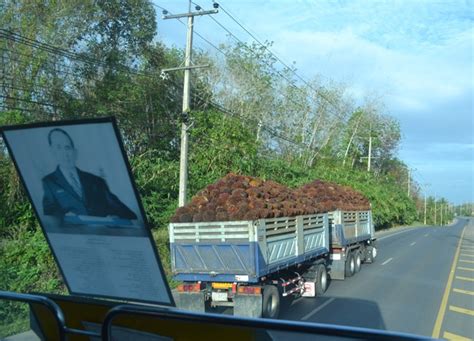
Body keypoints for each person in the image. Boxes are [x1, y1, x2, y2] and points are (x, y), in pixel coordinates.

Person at [42, 128, 137, 221]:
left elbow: (124, 211)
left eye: (67, 147)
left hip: (103, 233)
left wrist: (117, 216)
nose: (65, 153)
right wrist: (64, 216)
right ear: (52, 151)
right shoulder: (49, 182)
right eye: (59, 147)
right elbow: (49, 211)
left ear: (74, 152)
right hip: (73, 234)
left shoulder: (96, 181)